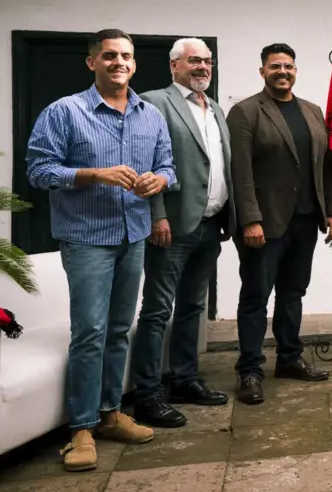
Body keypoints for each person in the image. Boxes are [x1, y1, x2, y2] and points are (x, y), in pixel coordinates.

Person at [26, 28, 176, 472]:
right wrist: (94, 174)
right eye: (109, 56)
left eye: (126, 56)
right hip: (87, 236)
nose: (119, 63)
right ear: (91, 62)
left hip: (133, 234)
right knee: (89, 331)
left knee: (118, 330)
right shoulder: (64, 112)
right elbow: (38, 171)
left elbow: (167, 164)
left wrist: (160, 181)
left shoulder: (150, 115)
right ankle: (81, 429)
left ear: (134, 63)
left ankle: (111, 413)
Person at [227, 43, 332, 405]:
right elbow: (240, 172)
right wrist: (250, 219)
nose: (282, 71)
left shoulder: (312, 111)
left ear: (296, 70)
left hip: (305, 220)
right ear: (262, 72)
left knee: (293, 293)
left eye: (288, 66)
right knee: (256, 297)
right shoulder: (245, 112)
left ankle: (289, 358)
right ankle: (250, 370)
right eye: (274, 66)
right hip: (264, 224)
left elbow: (322, 166)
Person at [132, 38, 234, 428]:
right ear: (174, 65)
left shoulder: (216, 109)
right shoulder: (155, 102)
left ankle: (185, 380)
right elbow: (145, 163)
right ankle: (147, 395)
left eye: (208, 61)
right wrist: (156, 215)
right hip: (171, 226)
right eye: (194, 61)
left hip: (209, 225)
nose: (203, 67)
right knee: (157, 311)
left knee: (194, 307)